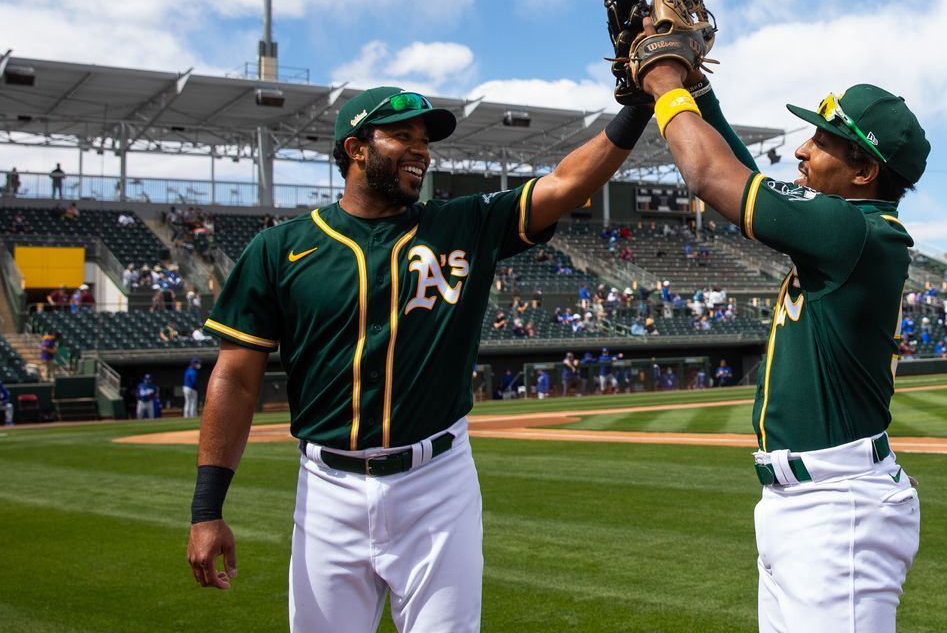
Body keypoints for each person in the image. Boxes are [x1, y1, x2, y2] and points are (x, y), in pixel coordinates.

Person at [186, 86, 654, 631]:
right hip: (326, 491)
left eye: (425, 140)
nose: (421, 150)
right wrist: (206, 509)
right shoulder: (277, 249)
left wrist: (640, 104)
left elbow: (568, 184)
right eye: (402, 136)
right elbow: (236, 381)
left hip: (437, 483)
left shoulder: (464, 224)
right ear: (357, 148)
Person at [636, 31, 928, 632]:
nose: (802, 149)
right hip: (804, 502)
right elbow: (746, 178)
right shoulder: (848, 226)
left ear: (864, 170)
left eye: (823, 142)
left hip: (836, 509)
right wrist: (696, 86)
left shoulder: (852, 231)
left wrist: (663, 82)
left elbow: (710, 176)